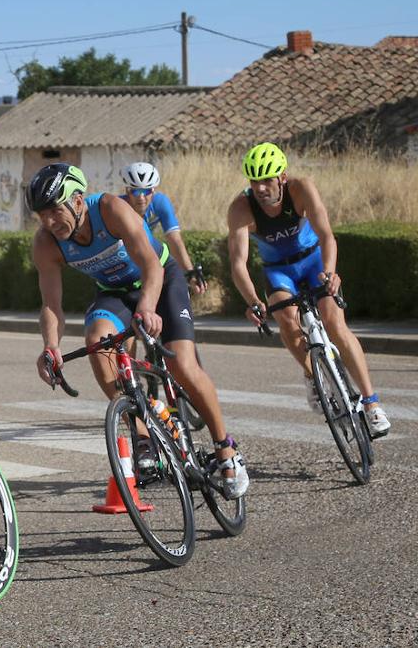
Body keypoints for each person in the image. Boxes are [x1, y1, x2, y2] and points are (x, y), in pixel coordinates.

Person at [29, 163, 248, 499]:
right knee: (96, 344)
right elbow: (50, 304)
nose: (49, 222)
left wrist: (147, 307)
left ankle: (225, 448)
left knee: (182, 366)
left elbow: (150, 265)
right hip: (115, 292)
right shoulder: (47, 242)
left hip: (160, 279)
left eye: (55, 210)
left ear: (76, 201)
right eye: (41, 214)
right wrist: (50, 346)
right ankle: (143, 435)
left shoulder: (111, 210)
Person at [226, 142, 390, 437]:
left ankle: (372, 403)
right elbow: (239, 264)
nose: (260, 188)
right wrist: (252, 301)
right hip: (279, 271)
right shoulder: (241, 208)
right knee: (287, 321)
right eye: (254, 181)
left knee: (335, 323)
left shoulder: (302, 189)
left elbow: (327, 235)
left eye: (267, 179)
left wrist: (330, 272)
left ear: (283, 177)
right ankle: (312, 375)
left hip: (313, 261)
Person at [119, 162, 206, 295]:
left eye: (146, 191)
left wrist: (190, 272)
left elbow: (174, 239)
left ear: (153, 191)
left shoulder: (160, 203)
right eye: (135, 191)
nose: (141, 197)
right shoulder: (118, 207)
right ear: (127, 191)